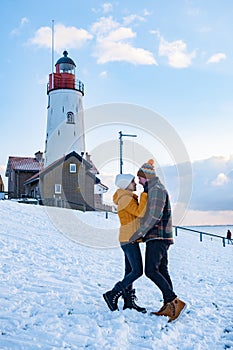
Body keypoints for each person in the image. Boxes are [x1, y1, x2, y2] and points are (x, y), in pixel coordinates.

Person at [129, 159, 186, 323]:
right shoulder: (153, 189)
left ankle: (174, 301)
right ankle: (169, 305)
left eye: (139, 178)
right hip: (158, 236)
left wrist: (138, 233)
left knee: (151, 270)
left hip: (158, 237)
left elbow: (154, 216)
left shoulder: (156, 190)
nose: (138, 181)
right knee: (161, 269)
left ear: (146, 176)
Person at [103, 174, 147, 313]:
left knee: (130, 271)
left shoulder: (126, 197)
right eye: (132, 182)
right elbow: (140, 213)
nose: (135, 184)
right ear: (125, 184)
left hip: (128, 238)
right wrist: (145, 194)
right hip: (129, 238)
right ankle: (113, 293)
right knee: (137, 271)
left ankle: (128, 302)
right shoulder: (126, 199)